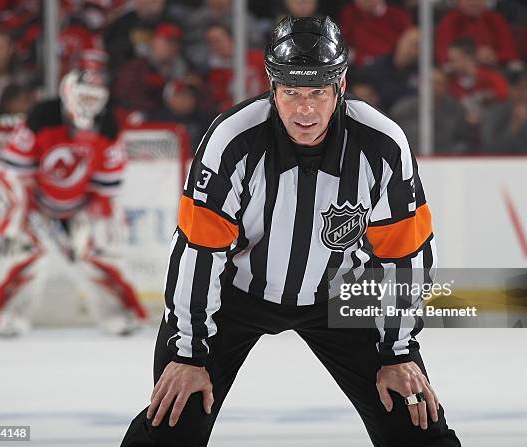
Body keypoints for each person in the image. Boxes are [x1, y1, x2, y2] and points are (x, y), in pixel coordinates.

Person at [120, 16, 461, 446]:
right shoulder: (232, 141)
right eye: (292, 92)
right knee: (173, 421)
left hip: (342, 297)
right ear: (271, 87)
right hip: (232, 297)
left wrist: (398, 351)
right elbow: (198, 250)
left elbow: (406, 254)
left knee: (418, 425)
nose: (304, 109)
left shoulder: (382, 145)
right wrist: (188, 352)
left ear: (340, 86)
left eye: (317, 92)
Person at [0, 57, 148, 337]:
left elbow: (105, 190)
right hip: (35, 201)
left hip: (79, 205)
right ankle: (3, 314)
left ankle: (121, 314)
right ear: (68, 93)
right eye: (84, 96)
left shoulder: (108, 127)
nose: (89, 104)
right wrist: (19, 215)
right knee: (27, 252)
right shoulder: (41, 116)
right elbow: (13, 173)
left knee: (99, 253)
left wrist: (98, 226)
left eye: (95, 98)